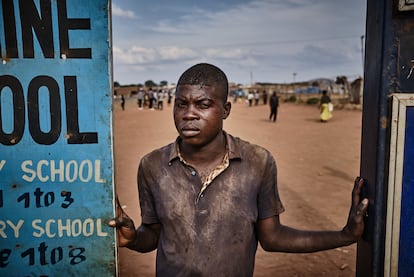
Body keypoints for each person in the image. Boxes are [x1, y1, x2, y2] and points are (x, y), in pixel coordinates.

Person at [109, 63, 369, 276]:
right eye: (181, 104)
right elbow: (152, 235)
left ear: (225, 110)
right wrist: (133, 239)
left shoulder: (258, 162)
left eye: (202, 105)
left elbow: (272, 237)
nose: (189, 114)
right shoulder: (152, 165)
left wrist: (344, 235)